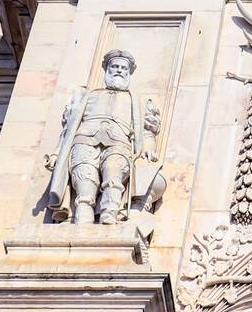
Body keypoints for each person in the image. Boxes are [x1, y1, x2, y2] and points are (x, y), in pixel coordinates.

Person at [43, 50, 164, 226]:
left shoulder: (137, 101)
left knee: (114, 175)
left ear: (129, 72)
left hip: (119, 143)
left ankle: (110, 214)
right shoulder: (88, 95)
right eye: (114, 66)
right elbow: (68, 130)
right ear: (107, 69)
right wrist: (56, 153)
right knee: (84, 178)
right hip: (84, 140)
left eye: (123, 68)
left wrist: (148, 149)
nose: (119, 71)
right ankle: (82, 220)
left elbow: (147, 130)